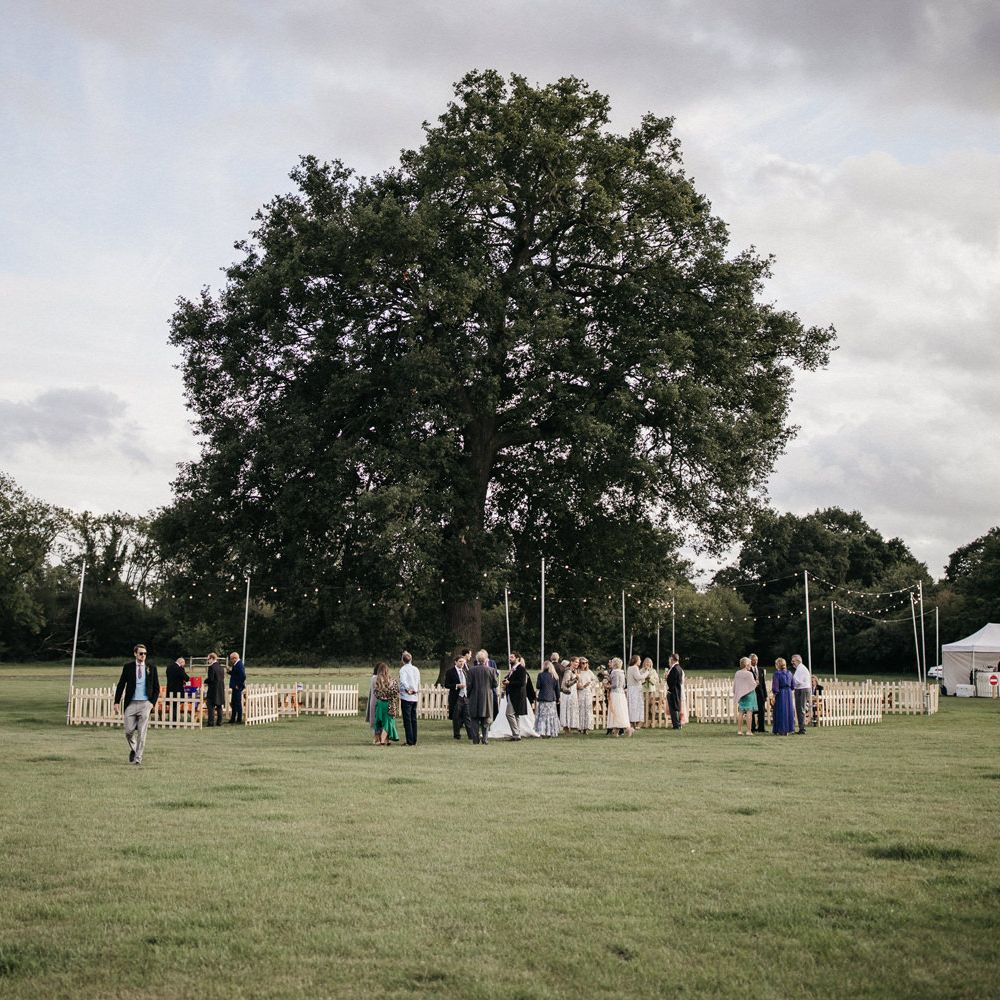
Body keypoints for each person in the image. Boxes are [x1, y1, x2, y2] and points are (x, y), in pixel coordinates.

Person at [113, 644, 160, 765]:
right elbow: (121, 684)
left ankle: (138, 759)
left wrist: (151, 703)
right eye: (141, 653)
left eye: (145, 653)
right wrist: (116, 702)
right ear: (135, 654)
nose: (143, 655)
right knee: (128, 732)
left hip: (145, 704)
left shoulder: (151, 668)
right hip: (131, 703)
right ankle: (134, 749)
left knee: (142, 733)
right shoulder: (128, 667)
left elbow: (156, 688)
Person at [502, 653, 535, 741]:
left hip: (517, 695)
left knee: (509, 714)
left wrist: (509, 683)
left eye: (512, 657)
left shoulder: (521, 669)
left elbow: (522, 683)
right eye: (509, 657)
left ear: (517, 658)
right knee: (515, 715)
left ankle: (516, 734)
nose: (510, 659)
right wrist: (506, 681)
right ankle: (517, 735)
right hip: (511, 694)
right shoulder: (513, 669)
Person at [467, 652, 497, 745]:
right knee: (486, 718)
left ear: (477, 660)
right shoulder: (491, 670)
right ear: (486, 659)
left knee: (474, 719)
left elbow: (469, 685)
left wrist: (468, 695)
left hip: (474, 696)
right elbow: (495, 684)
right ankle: (485, 739)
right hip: (487, 697)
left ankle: (476, 739)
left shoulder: (471, 670)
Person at [444, 656, 475, 741]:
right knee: (456, 717)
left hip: (465, 697)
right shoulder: (450, 672)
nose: (462, 663)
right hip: (456, 697)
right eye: (460, 661)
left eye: (463, 662)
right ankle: (457, 735)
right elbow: (446, 685)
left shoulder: (465, 672)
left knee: (467, 717)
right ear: (455, 662)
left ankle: (471, 735)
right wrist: (457, 686)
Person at [372, 662, 399, 746]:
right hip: (389, 703)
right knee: (388, 722)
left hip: (380, 704)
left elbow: (376, 693)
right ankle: (383, 740)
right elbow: (396, 692)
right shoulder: (392, 681)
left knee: (381, 722)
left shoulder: (377, 681)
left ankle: (386, 740)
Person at [398, 651, 420, 746]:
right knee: (413, 719)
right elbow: (418, 681)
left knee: (407, 720)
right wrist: (416, 690)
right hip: (415, 697)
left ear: (402, 660)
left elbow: (403, 681)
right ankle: (414, 739)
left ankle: (409, 740)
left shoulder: (403, 670)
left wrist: (408, 689)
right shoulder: (416, 669)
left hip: (406, 696)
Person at [534, 660, 560, 737]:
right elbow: (557, 689)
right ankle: (551, 732)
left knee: (542, 716)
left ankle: (542, 732)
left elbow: (538, 686)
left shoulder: (540, 675)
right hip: (551, 698)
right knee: (551, 716)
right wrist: (558, 698)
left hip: (543, 698)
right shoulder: (555, 676)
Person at [606, 657, 632, 736]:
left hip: (615, 694)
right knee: (621, 711)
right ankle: (618, 730)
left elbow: (615, 685)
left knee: (616, 711)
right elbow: (623, 685)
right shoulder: (622, 673)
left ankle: (624, 729)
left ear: (614, 664)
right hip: (621, 694)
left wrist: (607, 686)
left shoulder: (615, 672)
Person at [733, 656, 758, 736]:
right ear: (746, 664)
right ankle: (748, 731)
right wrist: (756, 682)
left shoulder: (737, 673)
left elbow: (735, 684)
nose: (750, 665)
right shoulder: (749, 674)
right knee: (749, 712)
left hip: (741, 695)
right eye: (749, 664)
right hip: (749, 695)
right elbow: (753, 684)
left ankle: (739, 730)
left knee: (741, 712)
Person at [771, 657, 795, 736]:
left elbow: (775, 687)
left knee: (780, 711)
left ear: (778, 665)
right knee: (788, 710)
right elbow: (793, 686)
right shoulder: (789, 673)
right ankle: (788, 729)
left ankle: (781, 729)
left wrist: (774, 696)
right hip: (788, 693)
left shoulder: (777, 674)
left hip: (781, 693)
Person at [626, 654, 650, 729]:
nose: (640, 661)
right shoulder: (635, 668)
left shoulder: (629, 668)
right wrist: (647, 672)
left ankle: (633, 722)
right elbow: (638, 677)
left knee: (632, 706)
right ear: (636, 661)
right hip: (635, 690)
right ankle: (636, 722)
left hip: (631, 689)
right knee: (637, 706)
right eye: (639, 659)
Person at [791, 654, 811, 734]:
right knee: (799, 709)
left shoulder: (801, 669)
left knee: (801, 709)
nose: (792, 663)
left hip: (802, 689)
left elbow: (798, 681)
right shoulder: (799, 668)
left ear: (798, 661)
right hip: (800, 689)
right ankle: (801, 728)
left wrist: (791, 679)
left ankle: (802, 729)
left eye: (793, 661)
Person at [165, 656, 189, 722]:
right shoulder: (180, 668)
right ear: (181, 662)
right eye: (183, 664)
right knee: (176, 706)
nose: (183, 665)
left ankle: (171, 719)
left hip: (170, 689)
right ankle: (175, 720)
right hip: (177, 690)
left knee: (172, 705)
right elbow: (186, 678)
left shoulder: (169, 667)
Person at [576, 657, 596, 734]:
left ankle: (586, 728)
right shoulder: (577, 672)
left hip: (587, 692)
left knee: (587, 709)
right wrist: (581, 685)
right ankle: (580, 727)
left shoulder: (589, 672)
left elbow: (594, 680)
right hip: (580, 691)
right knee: (580, 709)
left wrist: (590, 685)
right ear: (580, 664)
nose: (585, 664)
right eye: (583, 663)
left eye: (586, 663)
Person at [204, 652, 225, 727]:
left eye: (208, 659)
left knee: (210, 705)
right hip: (220, 688)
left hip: (213, 689)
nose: (208, 660)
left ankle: (211, 722)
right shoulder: (221, 667)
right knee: (219, 706)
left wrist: (205, 681)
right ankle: (219, 722)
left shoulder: (211, 667)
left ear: (212, 658)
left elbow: (211, 678)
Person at [559, 657, 580, 732]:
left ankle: (571, 726)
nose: (577, 664)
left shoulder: (574, 671)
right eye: (576, 662)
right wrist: (576, 679)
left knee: (571, 709)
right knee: (567, 709)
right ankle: (566, 727)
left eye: (578, 662)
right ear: (571, 662)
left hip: (573, 692)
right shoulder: (568, 671)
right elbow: (567, 683)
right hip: (568, 693)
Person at [665, 653, 684, 730]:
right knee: (676, 707)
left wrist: (667, 678)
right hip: (676, 690)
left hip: (673, 691)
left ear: (672, 659)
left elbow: (672, 681)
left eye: (670, 659)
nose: (669, 661)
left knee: (673, 708)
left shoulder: (675, 668)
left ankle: (676, 725)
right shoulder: (678, 667)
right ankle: (678, 724)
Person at [226, 652, 246, 724]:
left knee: (237, 703)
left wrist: (239, 685)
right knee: (234, 703)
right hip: (234, 687)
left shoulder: (239, 664)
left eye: (231, 659)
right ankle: (233, 718)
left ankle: (239, 719)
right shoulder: (236, 664)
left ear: (235, 658)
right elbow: (235, 674)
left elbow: (243, 676)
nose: (231, 661)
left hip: (237, 687)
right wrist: (229, 671)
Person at [750, 653, 767, 734]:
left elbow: (763, 683)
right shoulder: (748, 670)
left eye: (756, 660)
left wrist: (765, 695)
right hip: (752, 693)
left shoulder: (761, 670)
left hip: (761, 694)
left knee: (761, 711)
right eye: (753, 660)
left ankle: (761, 728)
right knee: (752, 711)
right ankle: (752, 728)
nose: (755, 661)